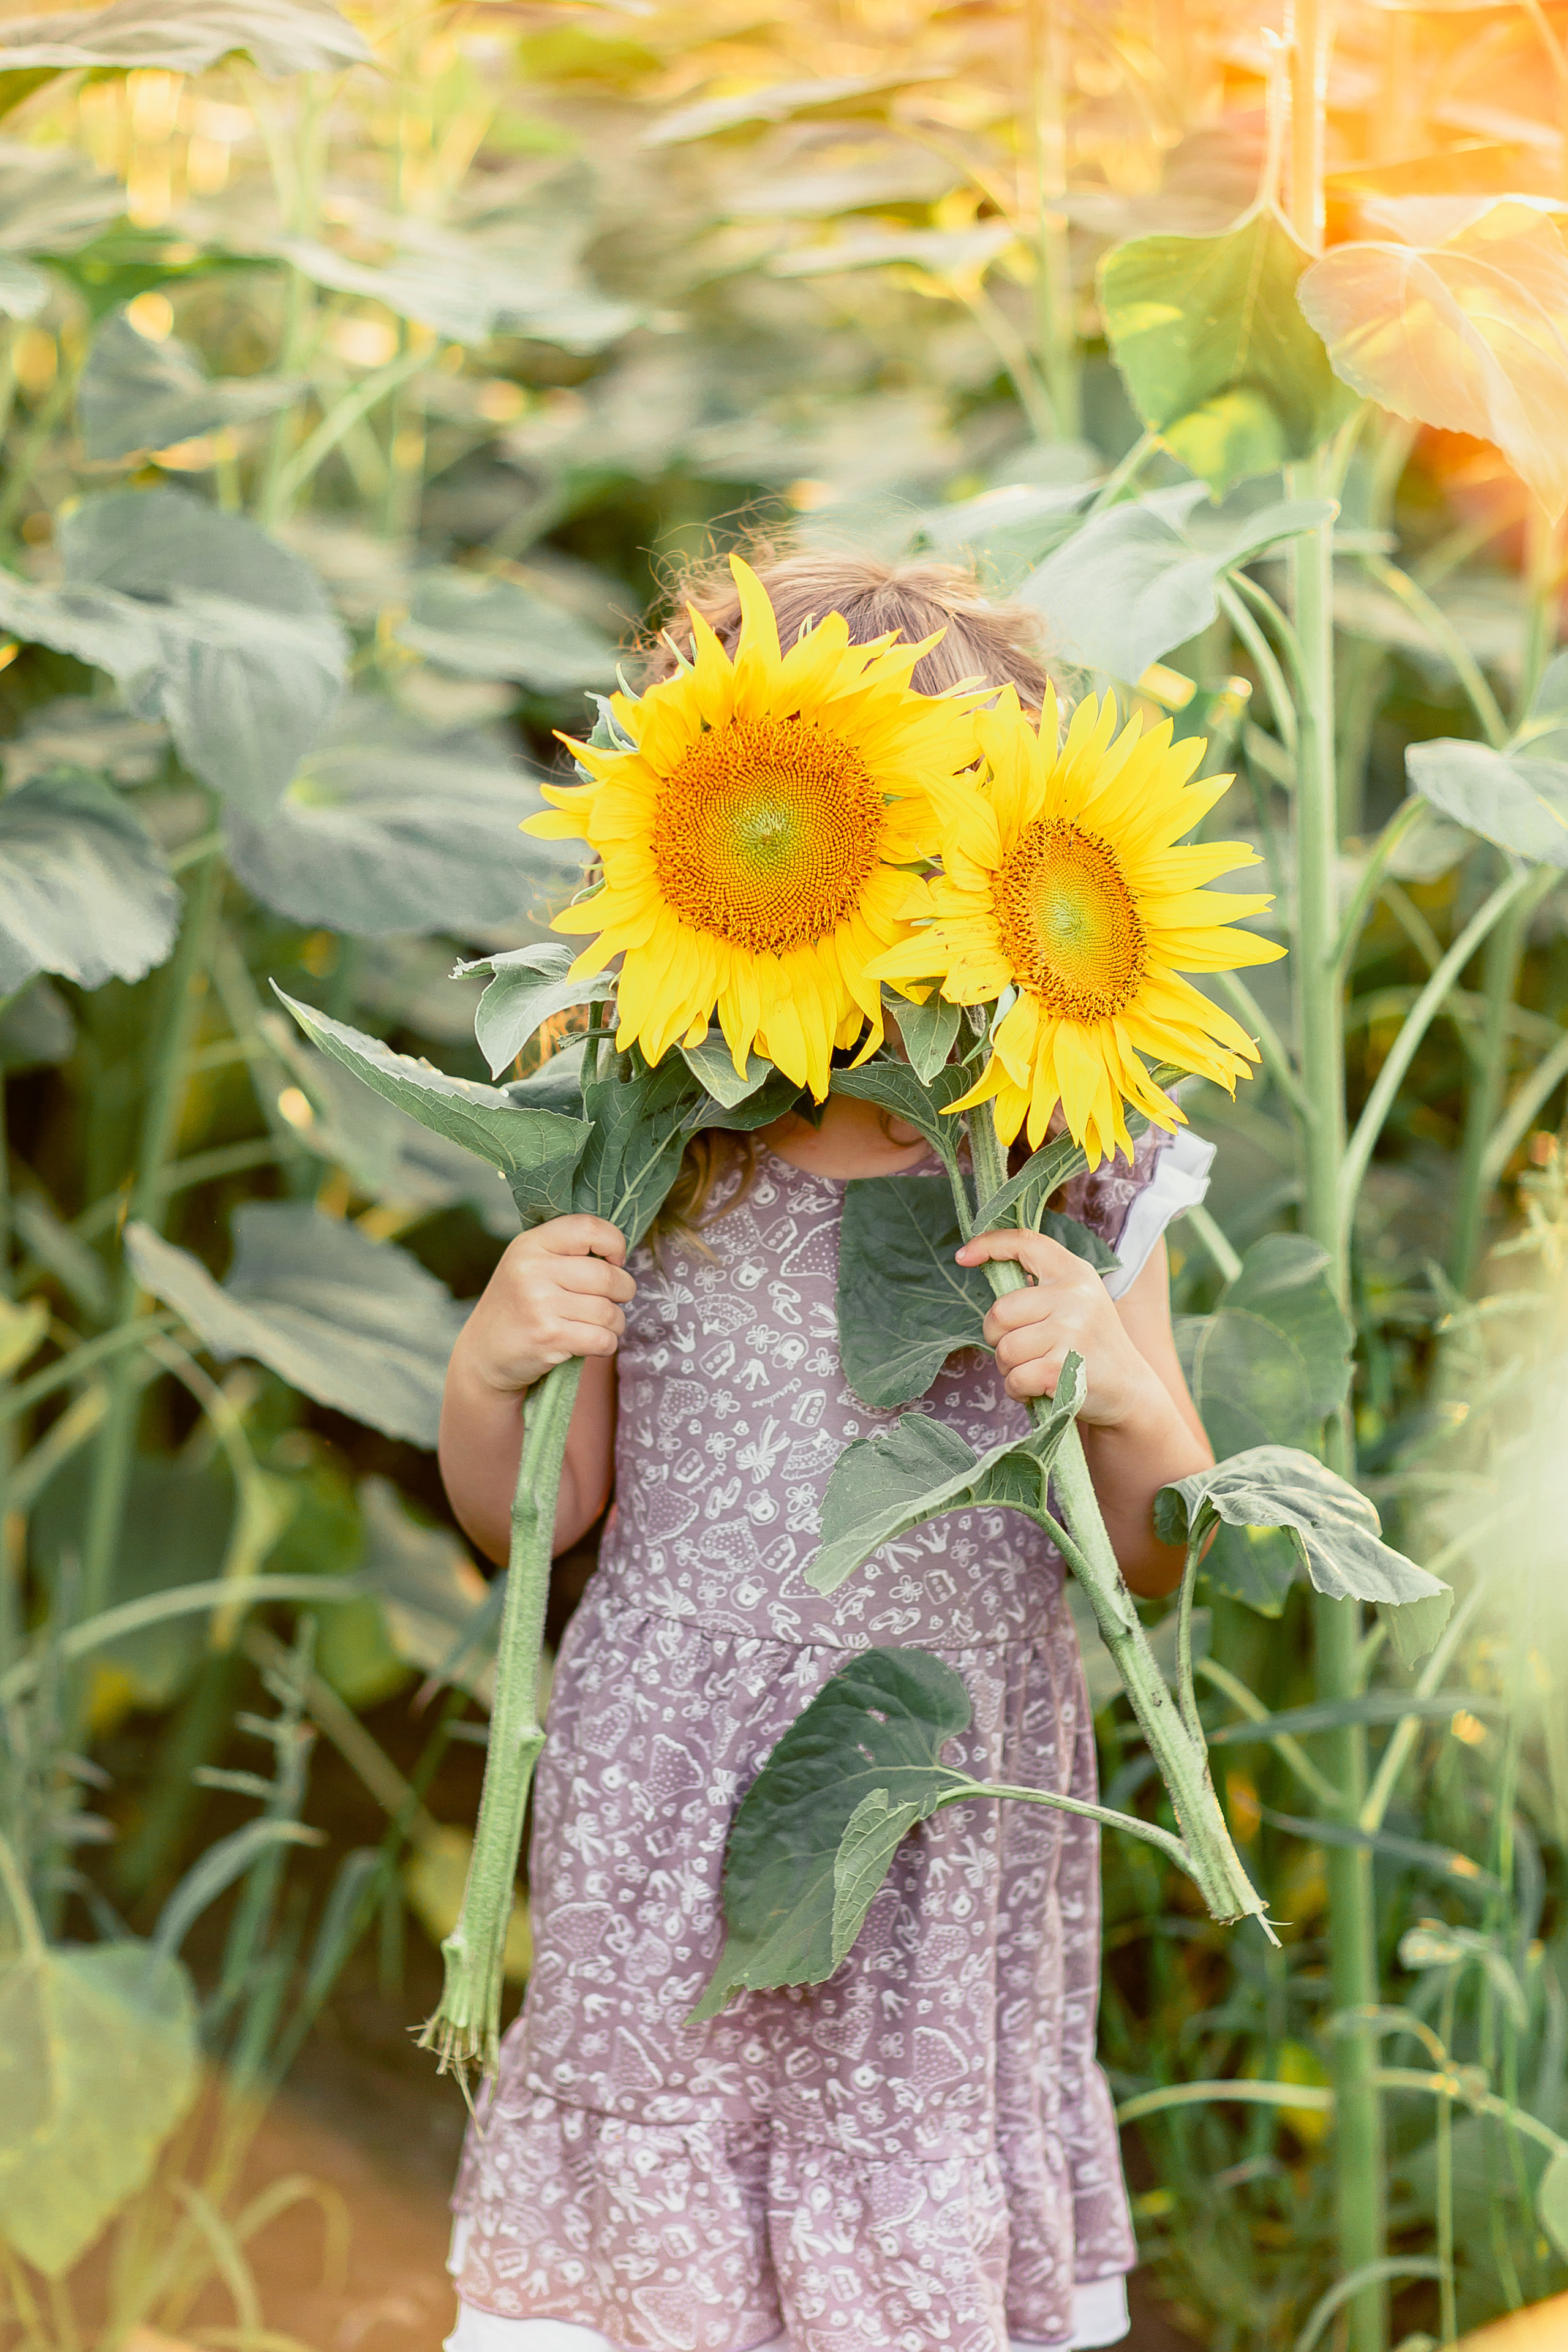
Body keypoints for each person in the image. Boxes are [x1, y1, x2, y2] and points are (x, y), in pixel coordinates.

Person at [437, 548, 1218, 2352]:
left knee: (911, 2209)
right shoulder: (645, 1132)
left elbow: (1160, 1548)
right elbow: (536, 1521)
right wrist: (495, 1370)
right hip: (669, 1808)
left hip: (952, 1810)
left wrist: (1114, 1383)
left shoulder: (1074, 1162)